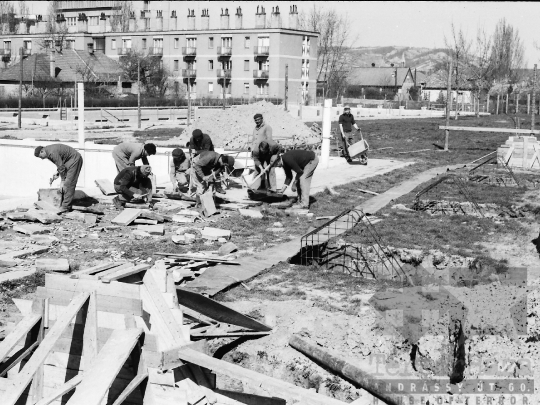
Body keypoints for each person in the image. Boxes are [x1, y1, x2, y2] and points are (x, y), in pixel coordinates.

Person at [34, 144, 83, 213]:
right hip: (69, 160)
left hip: (75, 160)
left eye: (40, 157)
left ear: (42, 151)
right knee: (66, 183)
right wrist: (57, 172)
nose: (41, 159)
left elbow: (61, 167)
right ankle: (63, 204)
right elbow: (60, 163)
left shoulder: (51, 153)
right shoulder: (48, 151)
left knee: (68, 183)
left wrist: (62, 181)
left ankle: (65, 207)